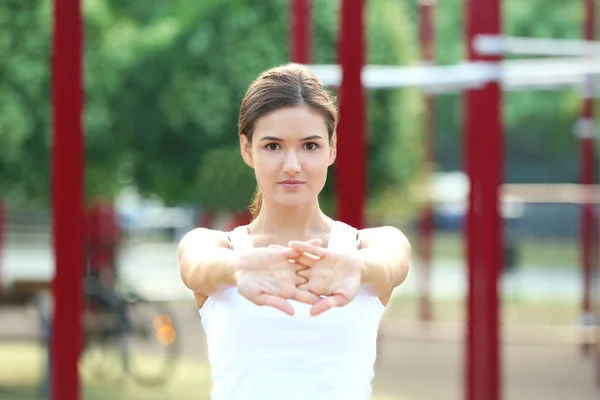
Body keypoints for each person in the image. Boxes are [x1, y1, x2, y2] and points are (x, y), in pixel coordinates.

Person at [178, 63, 411, 400]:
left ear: (332, 148)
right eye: (273, 146)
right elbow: (196, 265)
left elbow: (392, 263)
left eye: (310, 146)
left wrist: (356, 268)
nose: (292, 165)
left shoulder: (368, 245)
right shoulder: (218, 246)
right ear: (247, 149)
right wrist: (239, 268)